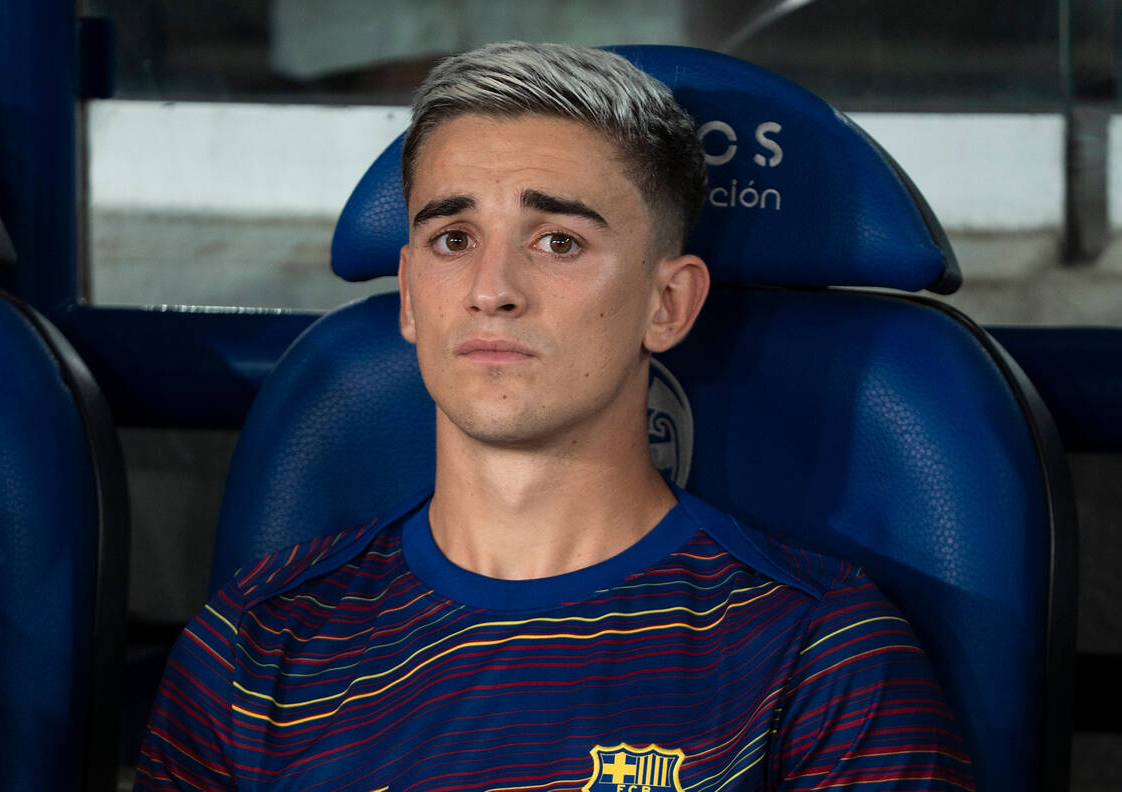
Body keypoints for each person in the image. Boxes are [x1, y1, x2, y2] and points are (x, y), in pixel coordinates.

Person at [135, 42, 974, 791]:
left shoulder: (817, 653)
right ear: (410, 296)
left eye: (558, 241)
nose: (491, 289)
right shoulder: (254, 641)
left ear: (668, 303)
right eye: (453, 238)